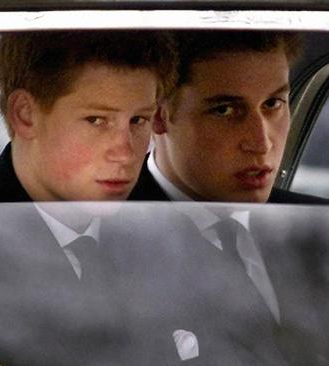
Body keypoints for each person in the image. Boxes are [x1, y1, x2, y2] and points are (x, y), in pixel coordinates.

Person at [0, 30, 179, 366]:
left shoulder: (168, 232)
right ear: (25, 114)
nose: (125, 152)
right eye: (96, 120)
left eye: (138, 120)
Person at [128, 30, 329, 364]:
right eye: (224, 110)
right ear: (158, 115)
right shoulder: (95, 241)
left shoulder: (319, 230)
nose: (261, 141)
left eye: (273, 104)